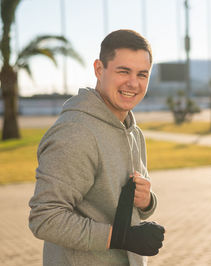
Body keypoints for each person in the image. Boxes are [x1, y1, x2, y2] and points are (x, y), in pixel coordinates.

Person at [29, 29, 165, 266]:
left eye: (142, 74)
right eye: (124, 71)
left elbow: (115, 204)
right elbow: (45, 218)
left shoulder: (132, 131)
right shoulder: (75, 132)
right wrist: (122, 238)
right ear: (99, 69)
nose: (133, 83)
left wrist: (146, 202)